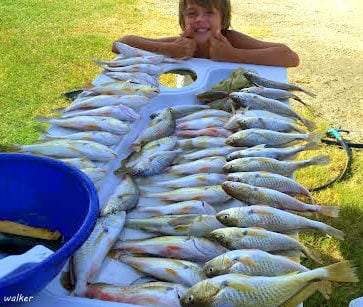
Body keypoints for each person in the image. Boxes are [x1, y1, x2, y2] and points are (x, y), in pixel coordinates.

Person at [112, 0, 299, 68]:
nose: (200, 20)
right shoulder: (182, 45)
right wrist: (169, 49)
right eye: (192, 14)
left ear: (223, 18)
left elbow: (290, 57)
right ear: (183, 19)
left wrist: (233, 55)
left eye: (209, 13)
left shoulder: (231, 40)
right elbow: (120, 44)